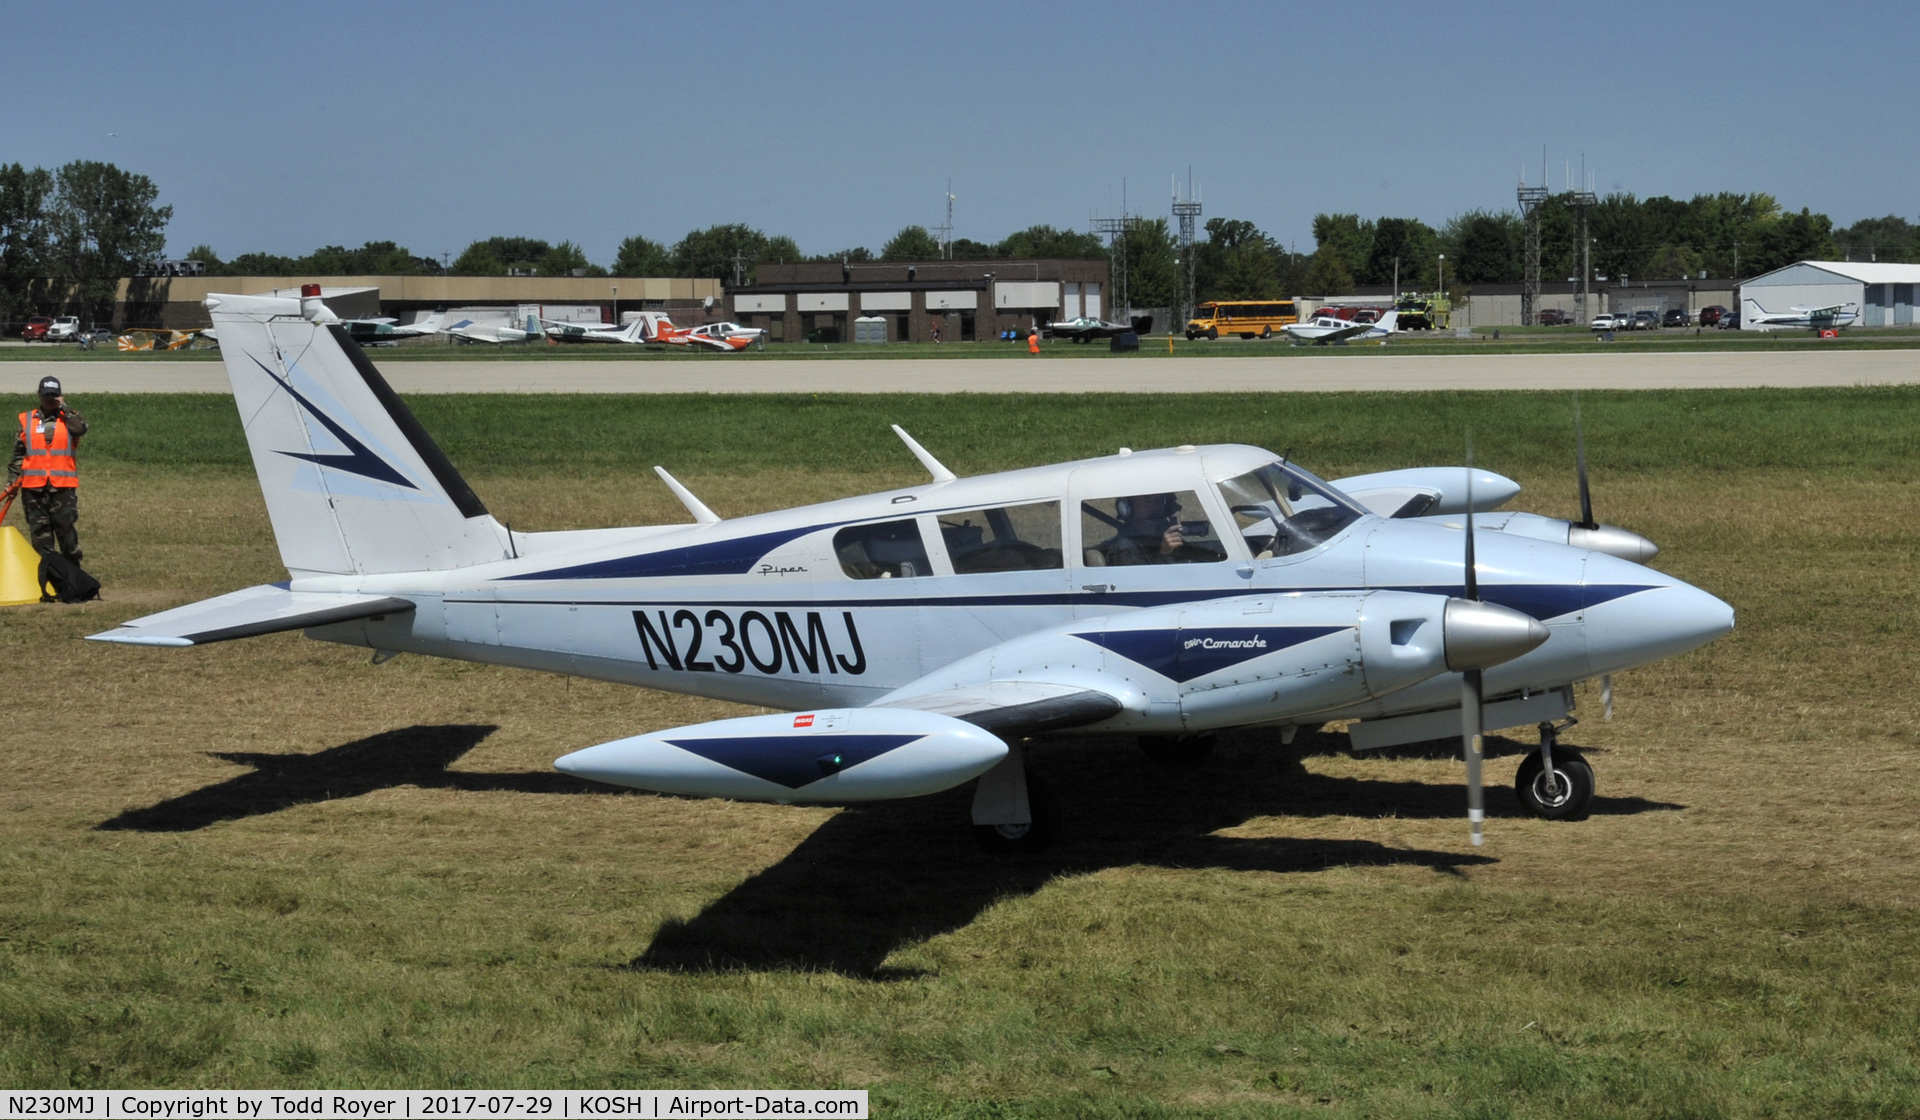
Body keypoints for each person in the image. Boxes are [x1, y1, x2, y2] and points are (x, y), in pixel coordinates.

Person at [7, 375, 87, 566]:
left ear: (60, 396)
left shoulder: (69, 418)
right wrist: (12, 481)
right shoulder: (26, 420)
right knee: (40, 536)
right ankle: (49, 580)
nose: (49, 400)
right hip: (33, 490)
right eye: (46, 396)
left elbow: (80, 429)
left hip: (62, 488)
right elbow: (18, 455)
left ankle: (74, 578)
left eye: (53, 396)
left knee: (66, 533)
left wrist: (65, 409)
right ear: (39, 396)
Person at [1094, 493, 1202, 566]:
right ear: (1127, 508)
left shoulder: (1160, 536)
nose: (1156, 507)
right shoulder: (1124, 547)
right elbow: (1141, 586)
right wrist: (1164, 554)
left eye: (1159, 501)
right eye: (1147, 502)